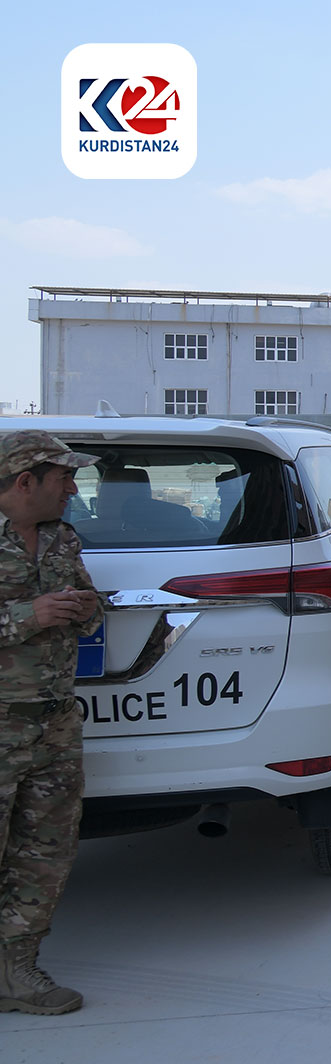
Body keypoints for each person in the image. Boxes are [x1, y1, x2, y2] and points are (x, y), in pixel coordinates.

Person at [0, 431, 103, 1016]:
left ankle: (16, 973)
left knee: (45, 853)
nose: (73, 487)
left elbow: (90, 610)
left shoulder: (63, 538)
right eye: (63, 477)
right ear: (24, 481)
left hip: (54, 723)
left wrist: (87, 609)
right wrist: (27, 616)